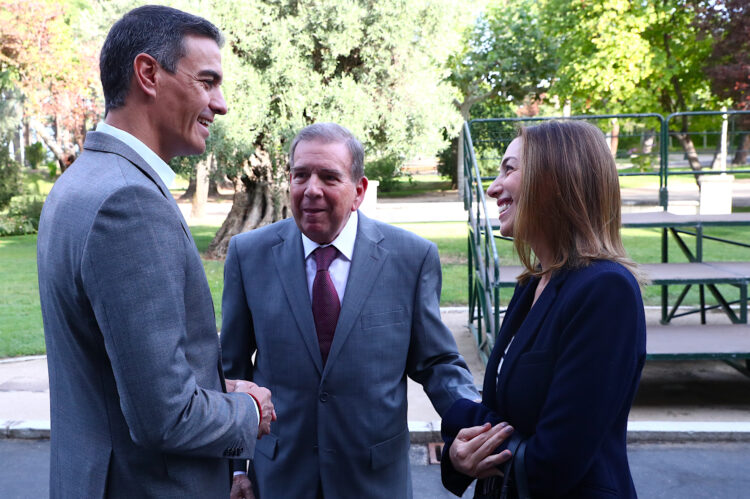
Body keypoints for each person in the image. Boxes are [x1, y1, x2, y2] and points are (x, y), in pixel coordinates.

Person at [36, 6, 274, 498]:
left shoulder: (79, 183)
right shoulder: (130, 203)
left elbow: (115, 376)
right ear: (148, 74)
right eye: (207, 81)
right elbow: (164, 417)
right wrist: (248, 412)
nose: (221, 103)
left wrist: (215, 390)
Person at [220, 122, 479, 498]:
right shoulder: (249, 255)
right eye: (300, 175)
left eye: (329, 177)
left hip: (374, 480)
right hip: (278, 479)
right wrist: (234, 468)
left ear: (359, 191)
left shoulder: (411, 257)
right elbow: (232, 367)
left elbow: (436, 363)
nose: (311, 189)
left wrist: (472, 421)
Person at [440, 120, 647, 498]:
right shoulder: (533, 284)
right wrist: (459, 455)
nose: (493, 187)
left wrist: (457, 416)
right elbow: (503, 417)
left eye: (510, 169)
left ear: (555, 179)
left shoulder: (605, 290)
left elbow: (555, 460)